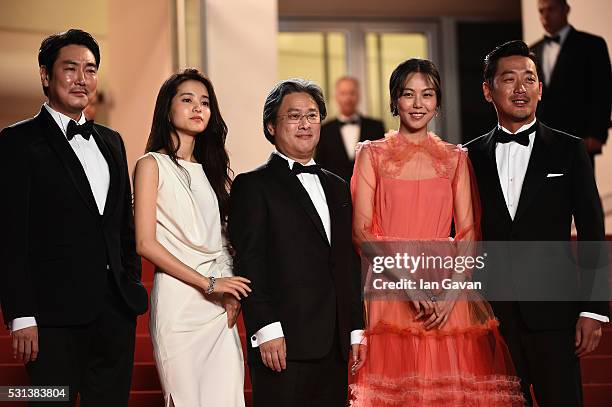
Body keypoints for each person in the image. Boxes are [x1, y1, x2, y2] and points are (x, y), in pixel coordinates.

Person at [350, 58, 524, 406]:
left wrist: (452, 293)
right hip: (391, 284)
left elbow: (469, 231)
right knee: (399, 392)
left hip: (446, 287)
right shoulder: (372, 154)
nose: (418, 104)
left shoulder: (455, 157)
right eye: (408, 95)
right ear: (394, 101)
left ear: (437, 102)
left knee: (450, 394)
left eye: (427, 95)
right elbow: (361, 231)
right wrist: (406, 282)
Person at [0, 29, 148, 406]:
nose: (82, 79)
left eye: (91, 69)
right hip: (51, 318)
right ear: (46, 76)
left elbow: (122, 229)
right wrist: (21, 315)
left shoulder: (112, 141)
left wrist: (128, 284)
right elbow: (10, 234)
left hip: (114, 314)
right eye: (70, 68)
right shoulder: (16, 141)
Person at [465, 40, 609, 406]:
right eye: (509, 79)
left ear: (540, 90)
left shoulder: (569, 149)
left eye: (529, 79)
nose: (520, 88)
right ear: (488, 90)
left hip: (556, 316)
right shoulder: (468, 157)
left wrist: (594, 309)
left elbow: (592, 231)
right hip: (492, 318)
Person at [228, 78, 365, 407]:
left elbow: (347, 262)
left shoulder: (338, 185)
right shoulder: (252, 185)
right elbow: (250, 262)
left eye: (313, 115)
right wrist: (266, 328)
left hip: (334, 343)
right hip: (283, 341)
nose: (305, 124)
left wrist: (356, 328)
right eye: (293, 116)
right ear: (271, 126)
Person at [133, 68, 251, 407]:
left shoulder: (215, 174)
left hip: (217, 307)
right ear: (167, 109)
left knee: (227, 399)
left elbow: (223, 241)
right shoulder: (150, 165)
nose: (198, 108)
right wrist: (208, 284)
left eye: (205, 102)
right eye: (187, 100)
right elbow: (145, 243)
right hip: (179, 303)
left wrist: (229, 291)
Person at [531, 0, 611, 167]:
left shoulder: (592, 45)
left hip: (580, 139)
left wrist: (597, 134)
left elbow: (603, 91)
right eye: (541, 11)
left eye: (551, 9)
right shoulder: (532, 51)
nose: (545, 16)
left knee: (579, 191)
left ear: (566, 9)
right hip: (541, 141)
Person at [315, 76, 385, 182]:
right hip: (335, 194)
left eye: (352, 93)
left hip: (370, 192)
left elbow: (382, 164)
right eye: (343, 93)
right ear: (336, 97)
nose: (348, 98)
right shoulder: (324, 130)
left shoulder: (376, 127)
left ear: (359, 95)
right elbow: (320, 167)